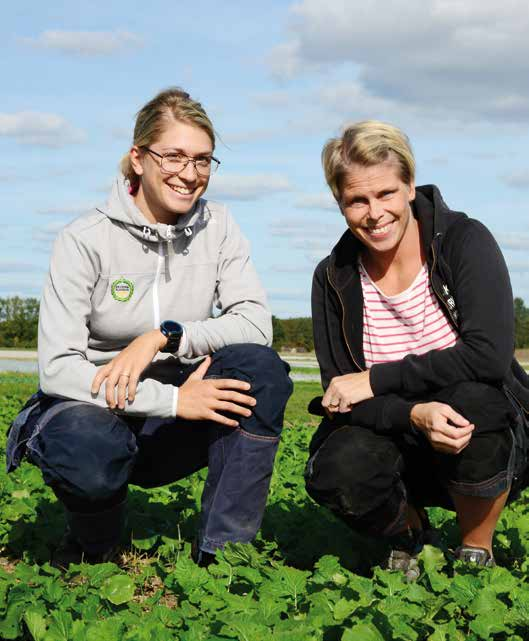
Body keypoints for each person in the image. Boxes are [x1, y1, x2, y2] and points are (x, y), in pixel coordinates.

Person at [6, 87, 292, 567]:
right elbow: (58, 370)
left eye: (203, 160)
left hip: (176, 417)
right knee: (86, 444)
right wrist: (177, 401)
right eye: (174, 156)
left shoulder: (219, 226)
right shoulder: (84, 239)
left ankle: (221, 559)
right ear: (138, 158)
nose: (190, 173)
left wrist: (166, 336)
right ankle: (94, 543)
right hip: (95, 409)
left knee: (259, 369)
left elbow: (256, 323)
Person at [305, 120, 529, 578]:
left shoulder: (464, 241)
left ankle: (475, 547)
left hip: (483, 435)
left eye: (386, 193)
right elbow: (339, 395)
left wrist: (376, 379)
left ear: (409, 186)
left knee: (473, 401)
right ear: (340, 203)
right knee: (336, 466)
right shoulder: (333, 276)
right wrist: (412, 413)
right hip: (394, 433)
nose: (374, 213)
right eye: (356, 200)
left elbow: (487, 355)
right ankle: (407, 535)